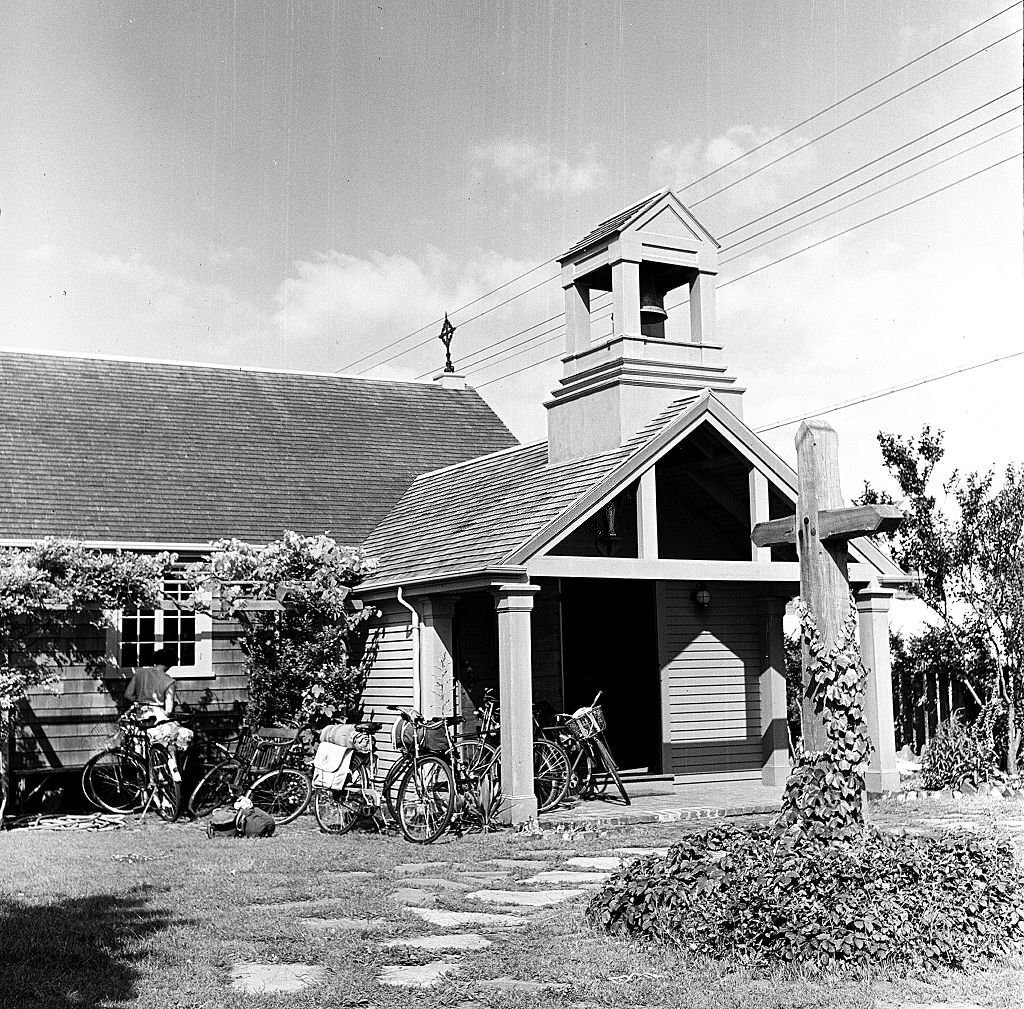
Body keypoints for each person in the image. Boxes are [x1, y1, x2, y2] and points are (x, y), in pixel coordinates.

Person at [123, 647, 194, 778]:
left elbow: (128, 695)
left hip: (141, 717)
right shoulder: (169, 681)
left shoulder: (140, 673)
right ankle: (167, 782)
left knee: (142, 757)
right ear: (170, 664)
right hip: (158, 719)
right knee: (170, 749)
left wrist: (140, 701)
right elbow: (168, 711)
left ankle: (146, 790)